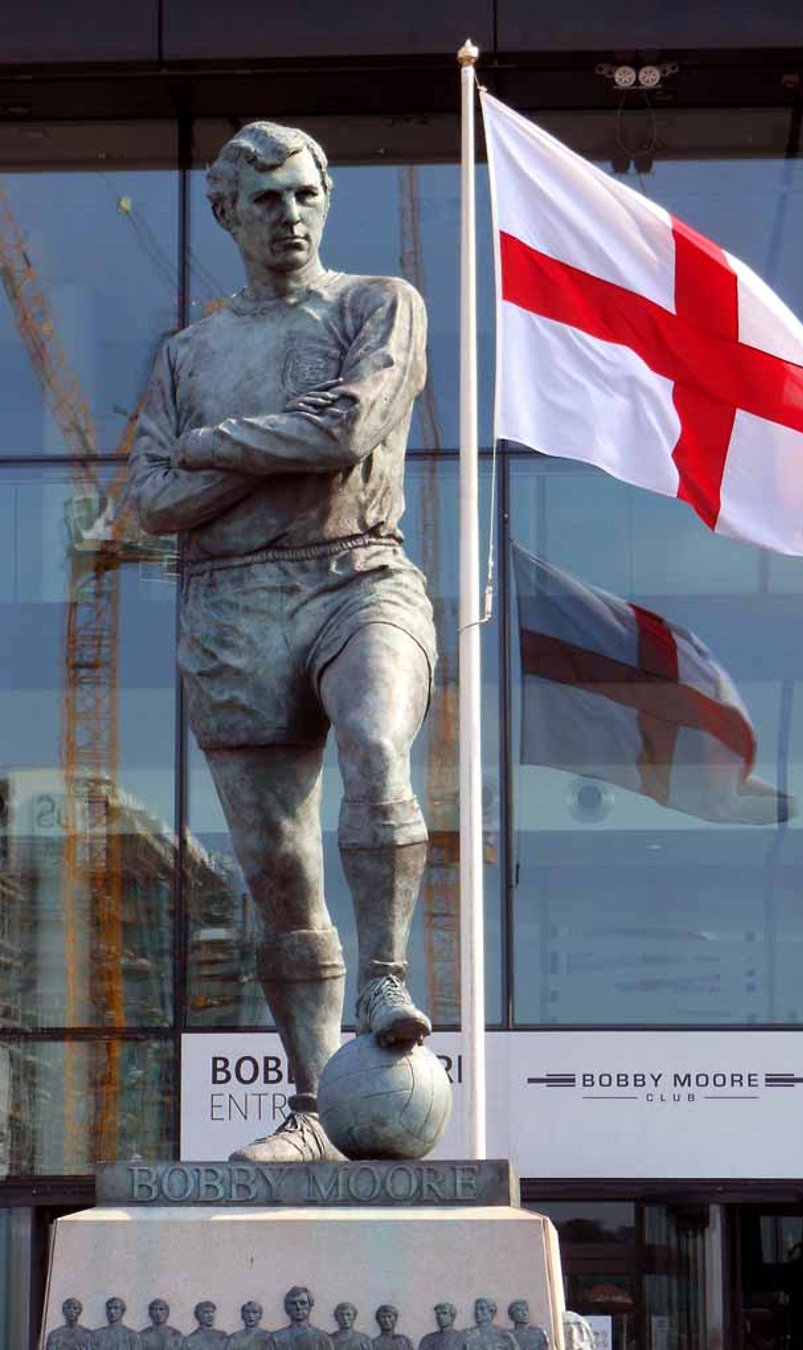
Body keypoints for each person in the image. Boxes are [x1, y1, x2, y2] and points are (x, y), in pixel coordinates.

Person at [129, 119, 435, 1164]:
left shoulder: (377, 305)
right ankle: (312, 1107)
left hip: (357, 575)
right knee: (277, 873)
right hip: (230, 607)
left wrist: (214, 450)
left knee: (377, 744)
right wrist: (258, 452)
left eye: (304, 195)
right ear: (228, 215)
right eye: (265, 201)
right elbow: (152, 498)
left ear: (326, 198)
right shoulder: (190, 353)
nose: (290, 216)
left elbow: (351, 425)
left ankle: (386, 975)